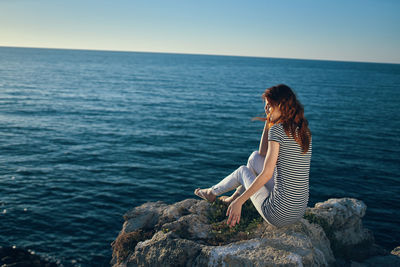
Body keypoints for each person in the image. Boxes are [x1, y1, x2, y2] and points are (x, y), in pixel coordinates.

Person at [194, 84, 312, 228]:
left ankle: (213, 193)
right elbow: (262, 153)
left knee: (243, 171)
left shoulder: (278, 131)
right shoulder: (303, 131)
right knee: (254, 157)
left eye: (269, 105)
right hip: (298, 211)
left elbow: (267, 173)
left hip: (277, 214)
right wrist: (269, 122)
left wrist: (240, 202)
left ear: (281, 105)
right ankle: (231, 197)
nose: (265, 109)